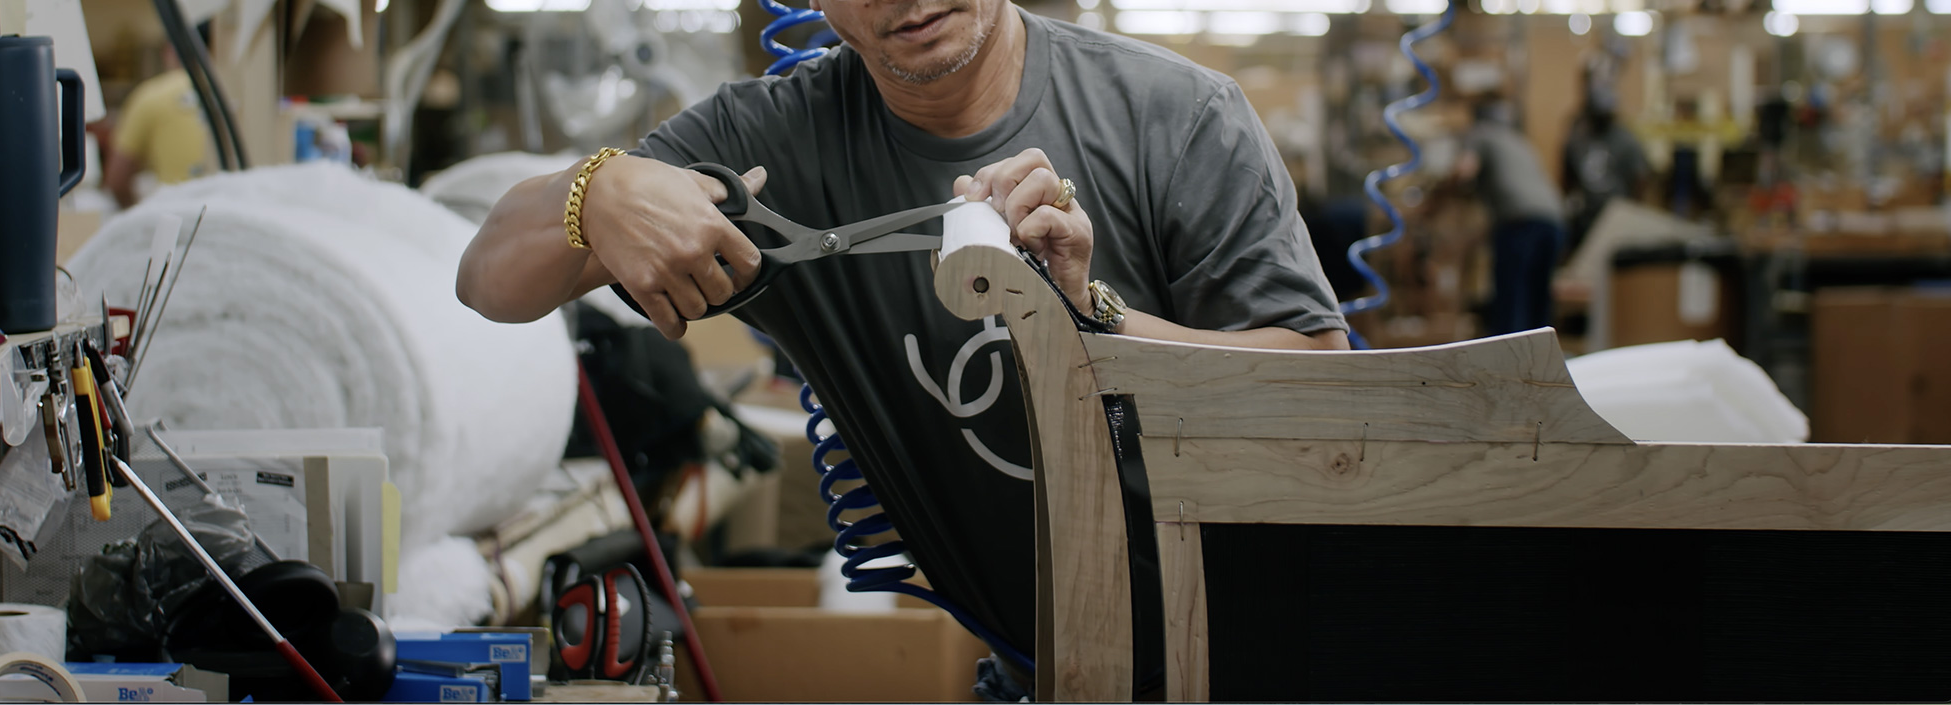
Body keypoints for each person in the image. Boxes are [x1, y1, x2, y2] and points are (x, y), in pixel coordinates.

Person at [457, 0, 1349, 697]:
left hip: (1268, 664)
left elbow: (1328, 407)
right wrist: (595, 191)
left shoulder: (1174, 116)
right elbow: (488, 280)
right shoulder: (772, 144)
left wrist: (1094, 316)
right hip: (1046, 673)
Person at [1458, 97, 1566, 336]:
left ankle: (1507, 357)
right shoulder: (1520, 142)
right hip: (1554, 219)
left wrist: (1438, 193)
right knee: (1538, 301)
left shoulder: (1481, 134)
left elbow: (1464, 171)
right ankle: (1540, 357)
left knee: (1511, 299)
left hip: (1520, 223)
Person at [106, 42, 212, 209]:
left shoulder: (150, 96)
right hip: (224, 209)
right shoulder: (226, 92)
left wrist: (137, 212)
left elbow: (117, 180)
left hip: (175, 212)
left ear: (169, 51)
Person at [1560, 84, 1650, 252]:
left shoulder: (1627, 141)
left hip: (1615, 214)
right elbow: (1567, 177)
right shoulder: (1578, 139)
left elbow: (1640, 179)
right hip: (1585, 215)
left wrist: (1631, 212)